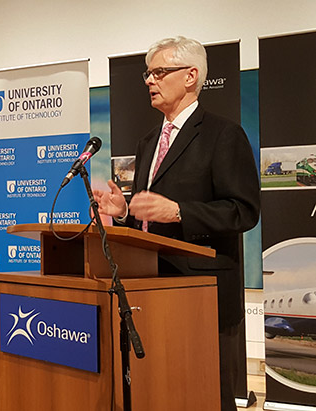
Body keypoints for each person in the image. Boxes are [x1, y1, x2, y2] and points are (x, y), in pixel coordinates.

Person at [93, 36, 260, 411]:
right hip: (152, 287)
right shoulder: (149, 140)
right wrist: (123, 211)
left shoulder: (223, 135)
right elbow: (149, 218)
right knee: (161, 392)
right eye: (148, 74)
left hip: (203, 291)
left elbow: (243, 211)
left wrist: (180, 212)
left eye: (159, 72)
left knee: (206, 396)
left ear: (190, 76)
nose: (150, 81)